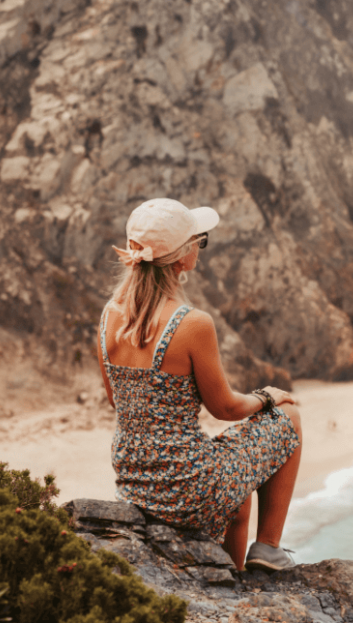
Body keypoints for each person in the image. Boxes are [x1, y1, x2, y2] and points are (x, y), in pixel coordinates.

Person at [96, 198, 302, 571]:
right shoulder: (192, 323)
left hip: (133, 479)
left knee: (238, 500)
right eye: (198, 240)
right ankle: (269, 547)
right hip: (185, 484)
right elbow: (225, 409)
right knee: (289, 415)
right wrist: (265, 396)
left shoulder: (110, 315)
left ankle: (235, 578)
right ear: (181, 257)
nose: (199, 248)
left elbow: (117, 400)